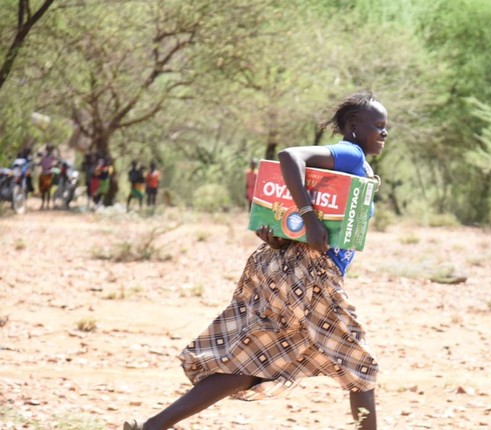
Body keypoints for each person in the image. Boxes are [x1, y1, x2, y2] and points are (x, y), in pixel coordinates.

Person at [123, 91, 388, 430]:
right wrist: (308, 218)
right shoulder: (349, 154)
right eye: (377, 126)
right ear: (352, 126)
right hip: (312, 276)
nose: (384, 133)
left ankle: (152, 427)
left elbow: (316, 215)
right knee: (360, 366)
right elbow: (291, 156)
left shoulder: (353, 166)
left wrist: (286, 230)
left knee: (252, 364)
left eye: (386, 128)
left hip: (285, 267)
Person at [38, 144, 57, 210]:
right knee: (43, 190)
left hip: (49, 174)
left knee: (48, 190)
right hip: (43, 174)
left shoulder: (52, 157)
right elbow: (40, 163)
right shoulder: (43, 156)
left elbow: (55, 163)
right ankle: (43, 204)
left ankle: (47, 205)